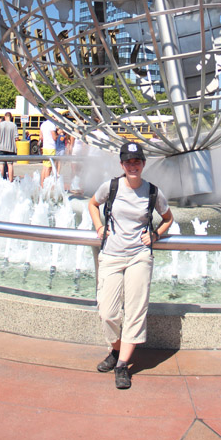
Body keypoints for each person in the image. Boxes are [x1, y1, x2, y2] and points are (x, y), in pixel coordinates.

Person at [88, 142, 173, 390]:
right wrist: (99, 226)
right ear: (122, 164)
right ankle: (115, 350)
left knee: (135, 310)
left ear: (144, 164)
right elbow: (92, 204)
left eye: (137, 161)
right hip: (111, 256)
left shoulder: (153, 192)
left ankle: (122, 365)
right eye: (128, 162)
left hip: (139, 257)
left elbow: (168, 218)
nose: (133, 165)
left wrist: (155, 235)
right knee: (107, 312)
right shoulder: (111, 186)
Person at [0, 112, 19, 182]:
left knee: (1, 165)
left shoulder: (0, 125)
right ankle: (11, 181)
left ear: (5, 117)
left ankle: (1, 181)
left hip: (1, 147)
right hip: (11, 148)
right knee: (10, 165)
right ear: (11, 117)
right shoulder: (14, 125)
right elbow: (16, 137)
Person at [39, 118, 58, 185]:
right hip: (51, 147)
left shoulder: (43, 124)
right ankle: (46, 184)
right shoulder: (52, 125)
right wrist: (57, 135)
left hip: (45, 147)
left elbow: (41, 137)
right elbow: (54, 137)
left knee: (44, 166)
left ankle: (42, 183)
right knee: (49, 167)